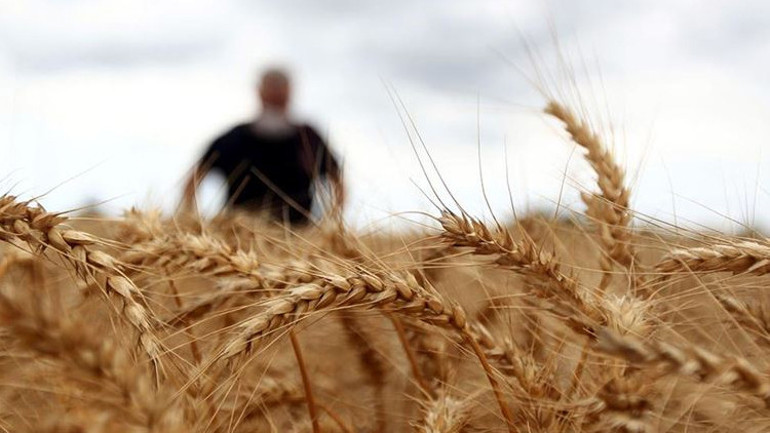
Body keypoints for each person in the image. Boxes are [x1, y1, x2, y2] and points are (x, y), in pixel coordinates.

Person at [183, 68, 344, 225]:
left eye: (279, 94)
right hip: (239, 240)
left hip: (298, 240)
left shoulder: (309, 138)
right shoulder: (233, 139)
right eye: (271, 93)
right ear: (260, 93)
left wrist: (329, 226)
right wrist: (192, 222)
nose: (275, 98)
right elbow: (194, 180)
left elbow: (337, 181)